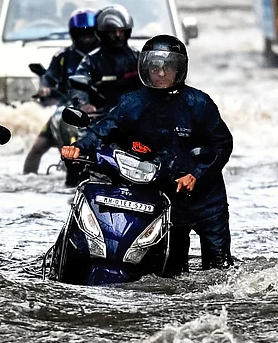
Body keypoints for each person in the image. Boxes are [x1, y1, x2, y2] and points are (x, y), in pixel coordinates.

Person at [61, 35, 234, 273]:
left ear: (178, 69)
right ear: (145, 69)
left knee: (219, 269)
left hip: (207, 202)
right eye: (155, 68)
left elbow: (222, 144)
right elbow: (103, 131)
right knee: (171, 273)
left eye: (167, 68)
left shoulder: (199, 103)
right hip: (165, 200)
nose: (161, 74)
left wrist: (196, 174)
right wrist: (79, 147)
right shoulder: (133, 103)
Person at [23, 8, 99, 175]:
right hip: (66, 108)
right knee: (37, 148)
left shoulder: (104, 56)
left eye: (90, 33)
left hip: (96, 110)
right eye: (82, 33)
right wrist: (45, 89)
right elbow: (49, 77)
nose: (87, 38)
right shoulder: (63, 56)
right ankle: (27, 179)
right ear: (74, 34)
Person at [71, 4, 141, 114]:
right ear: (102, 34)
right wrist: (84, 104)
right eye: (112, 32)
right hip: (103, 116)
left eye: (121, 31)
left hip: (136, 114)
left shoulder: (137, 56)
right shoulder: (91, 61)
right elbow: (79, 87)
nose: (118, 35)